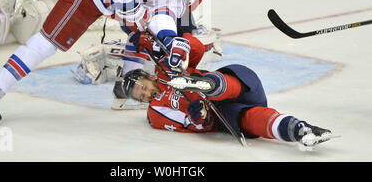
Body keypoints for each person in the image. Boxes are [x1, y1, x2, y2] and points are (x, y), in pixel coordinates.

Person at [0, 0, 212, 126]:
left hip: (101, 1)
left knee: (54, 43)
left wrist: (171, 41)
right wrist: (131, 10)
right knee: (47, 43)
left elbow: (162, 16)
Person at [120, 36, 333, 149]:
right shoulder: (156, 113)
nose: (145, 94)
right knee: (248, 119)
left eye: (141, 86)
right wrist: (199, 117)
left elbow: (196, 49)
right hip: (222, 115)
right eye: (140, 96)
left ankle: (209, 86)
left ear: (147, 76)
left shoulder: (165, 67)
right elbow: (189, 125)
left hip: (240, 84)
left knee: (217, 84)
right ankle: (300, 130)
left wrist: (171, 44)